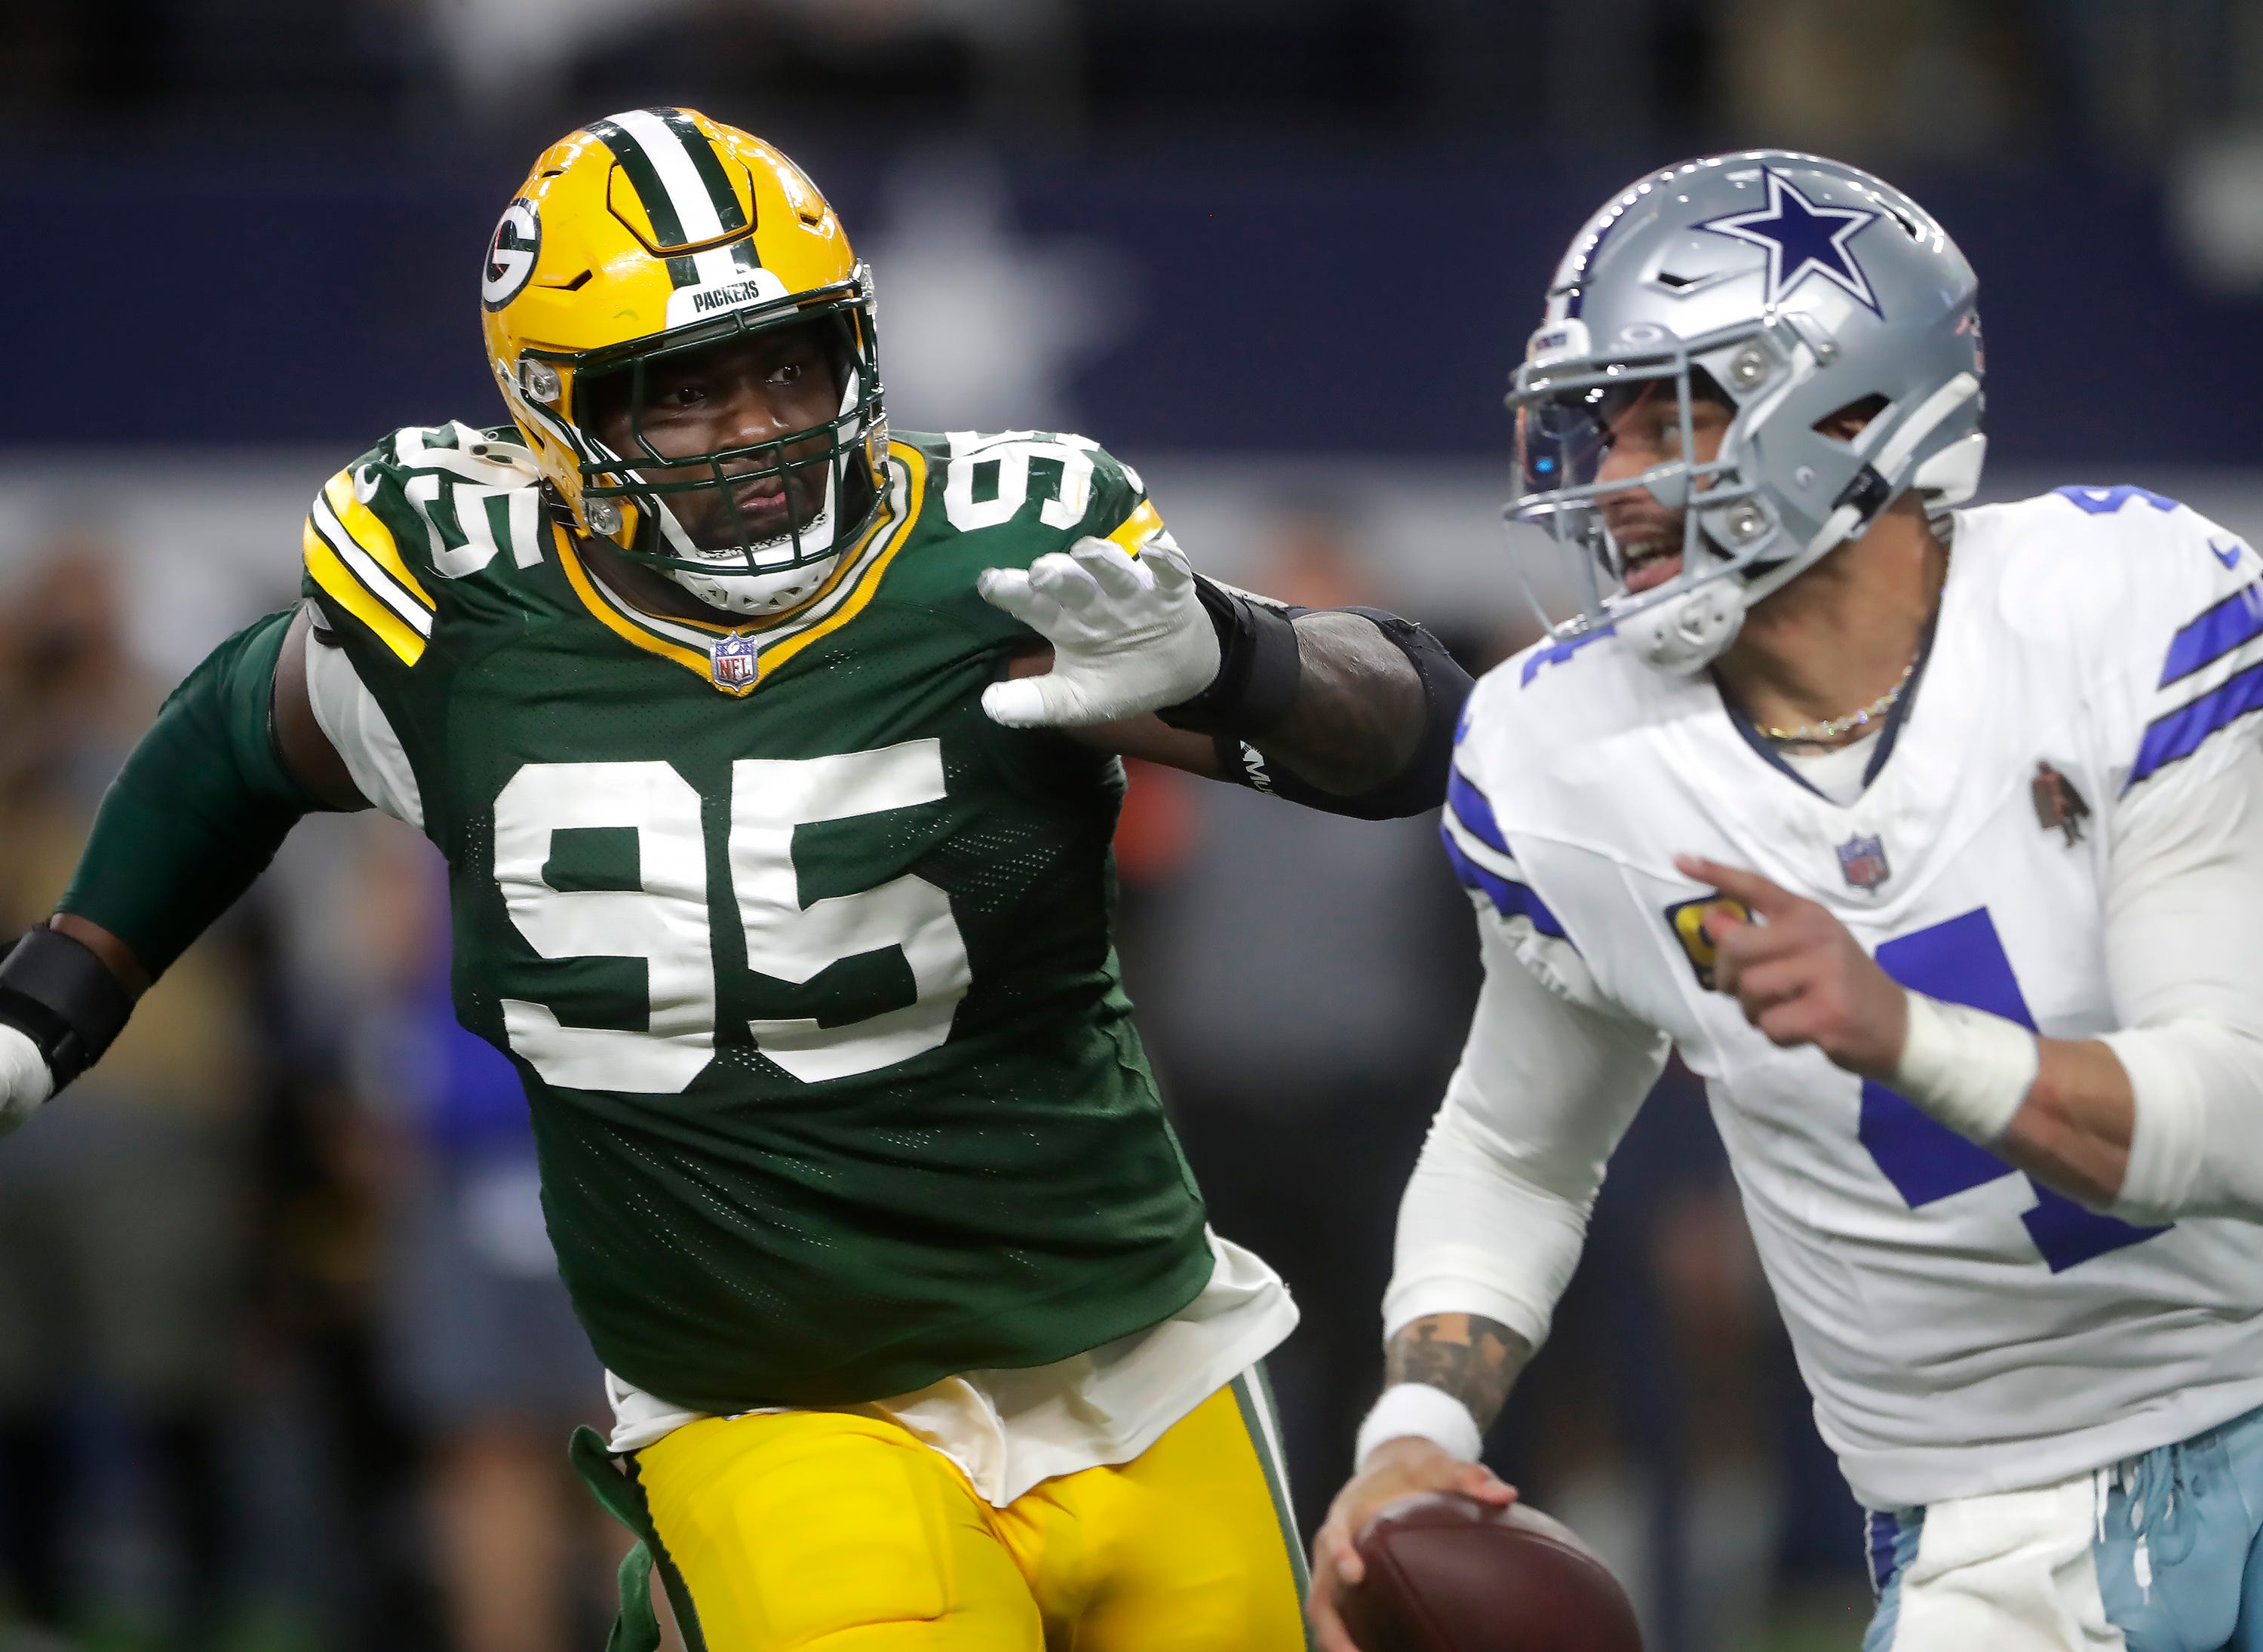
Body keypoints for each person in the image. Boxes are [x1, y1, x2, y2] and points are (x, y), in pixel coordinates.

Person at [0, 108, 1469, 1651]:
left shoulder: (989, 565)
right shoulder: (464, 612)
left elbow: (1420, 736)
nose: (758, 429)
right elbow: (225, 745)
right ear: (556, 412)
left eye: (790, 365)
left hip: (1138, 1354)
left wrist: (1238, 656)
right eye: (683, 390)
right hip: (777, 1402)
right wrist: (60, 991)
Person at [1310, 151, 2263, 1652]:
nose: (1614, 479)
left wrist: (1904, 1033)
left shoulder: (2118, 606)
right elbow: (1516, 1149)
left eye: (1668, 418)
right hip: (1990, 1522)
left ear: (1854, 409)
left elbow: (2242, 1119)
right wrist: (1416, 1430)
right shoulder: (1562, 752)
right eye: (1597, 425)